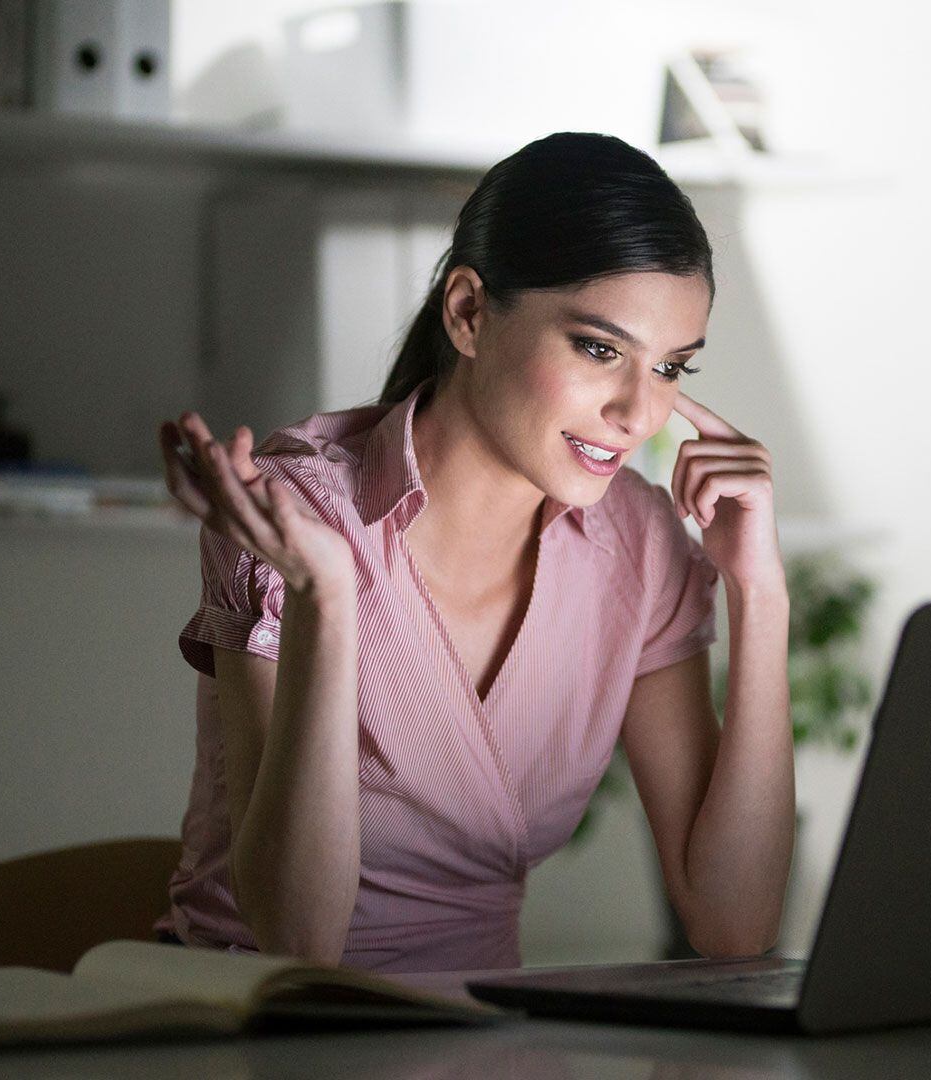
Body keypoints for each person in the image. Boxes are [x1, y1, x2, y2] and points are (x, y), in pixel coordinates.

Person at [152, 132, 793, 973]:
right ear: (468, 313)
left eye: (671, 368)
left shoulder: (640, 545)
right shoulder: (297, 511)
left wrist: (760, 592)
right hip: (259, 1017)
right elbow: (298, 944)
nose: (639, 413)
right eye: (599, 349)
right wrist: (326, 598)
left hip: (480, 1028)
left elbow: (733, 927)